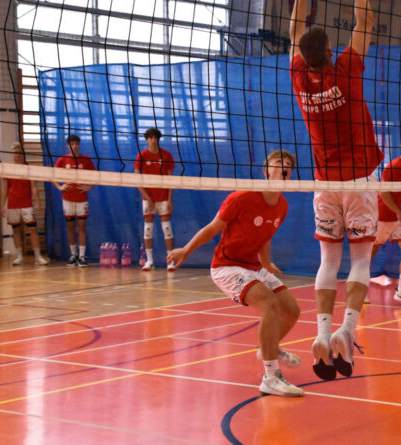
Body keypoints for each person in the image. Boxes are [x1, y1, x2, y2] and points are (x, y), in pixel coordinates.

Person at [290, 0, 383, 380]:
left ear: (304, 55)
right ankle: (347, 329)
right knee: (360, 260)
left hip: (324, 182)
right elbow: (367, 21)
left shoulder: (298, 75)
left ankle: (322, 333)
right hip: (359, 180)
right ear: (330, 50)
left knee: (328, 261)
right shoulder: (345, 68)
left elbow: (295, 29)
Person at [167, 150, 303, 397]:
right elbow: (212, 228)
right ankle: (271, 377)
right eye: (278, 163)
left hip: (254, 266)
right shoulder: (241, 197)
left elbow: (265, 236)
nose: (284, 167)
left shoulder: (282, 205)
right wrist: (186, 250)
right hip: (226, 267)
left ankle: (268, 347)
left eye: (288, 165)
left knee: (292, 310)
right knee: (270, 305)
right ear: (266, 171)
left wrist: (266, 264)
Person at [370, 133, 401, 305]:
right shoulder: (393, 166)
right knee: (370, 253)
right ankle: (357, 287)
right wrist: (399, 212)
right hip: (383, 215)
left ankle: (400, 291)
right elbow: (384, 193)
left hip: (396, 216)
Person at [134, 128, 176, 271]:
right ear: (146, 140)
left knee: (167, 229)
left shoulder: (166, 155)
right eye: (150, 137)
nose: (152, 140)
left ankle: (170, 261)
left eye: (155, 137)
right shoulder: (141, 156)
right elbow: (136, 180)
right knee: (148, 229)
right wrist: (147, 198)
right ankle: (150, 261)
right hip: (148, 198)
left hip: (163, 198)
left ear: (158, 139)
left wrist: (170, 200)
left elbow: (171, 179)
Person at [1, 142, 49, 266]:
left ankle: (38, 256)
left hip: (27, 204)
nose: (18, 155)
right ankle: (19, 257)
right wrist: (2, 205)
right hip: (13, 204)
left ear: (23, 154)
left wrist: (37, 202)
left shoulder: (29, 168)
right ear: (12, 155)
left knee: (33, 229)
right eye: (15, 153)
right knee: (15, 230)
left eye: (20, 153)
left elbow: (33, 186)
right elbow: (4, 188)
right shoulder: (8, 169)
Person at [54, 134, 95, 267]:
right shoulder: (63, 160)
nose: (75, 146)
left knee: (82, 227)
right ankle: (73, 255)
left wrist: (89, 186)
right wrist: (59, 187)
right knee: (70, 227)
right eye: (72, 144)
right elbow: (51, 174)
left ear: (79, 145)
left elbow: (97, 175)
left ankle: (82, 256)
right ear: (68, 146)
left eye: (77, 144)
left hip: (82, 199)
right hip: (67, 199)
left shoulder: (86, 159)